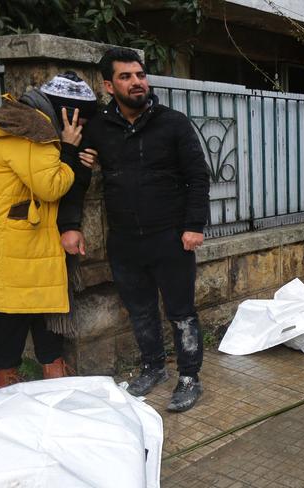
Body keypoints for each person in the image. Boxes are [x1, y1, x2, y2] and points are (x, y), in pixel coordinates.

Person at [59, 48, 210, 412]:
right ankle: (153, 367)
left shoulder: (172, 122)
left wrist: (193, 226)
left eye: (140, 75)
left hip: (171, 238)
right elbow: (76, 179)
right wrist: (70, 226)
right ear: (108, 85)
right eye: (126, 77)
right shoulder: (98, 129)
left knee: (181, 312)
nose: (137, 82)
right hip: (125, 240)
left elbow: (197, 175)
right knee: (139, 310)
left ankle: (189, 378)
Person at [0, 72, 98, 388]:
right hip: (21, 243)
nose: (81, 127)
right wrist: (69, 151)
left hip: (9, 241)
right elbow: (51, 186)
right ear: (66, 112)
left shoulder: (13, 125)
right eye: (79, 118)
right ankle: (35, 379)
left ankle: (15, 379)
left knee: (24, 311)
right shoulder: (32, 135)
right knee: (26, 313)